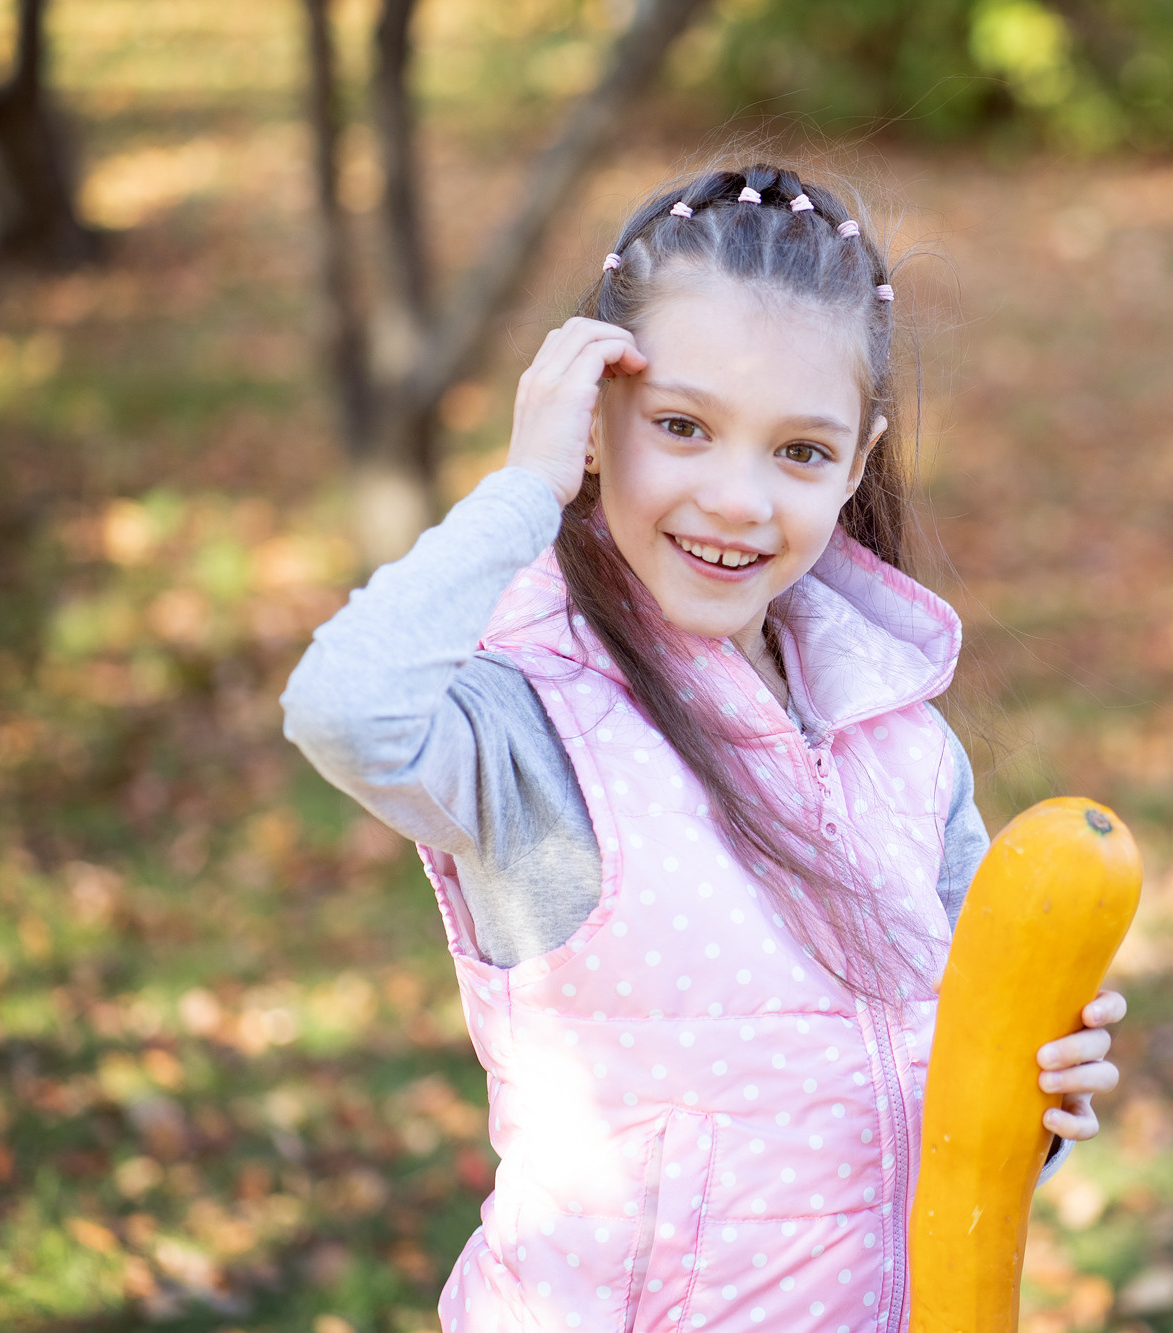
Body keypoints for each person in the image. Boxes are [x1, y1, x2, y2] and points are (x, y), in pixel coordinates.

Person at [281, 162, 1127, 1333]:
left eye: (799, 452)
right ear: (592, 421)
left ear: (859, 455)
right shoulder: (535, 732)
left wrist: (1027, 1113)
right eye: (681, 428)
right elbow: (343, 710)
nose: (737, 499)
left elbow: (917, 1115)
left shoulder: (907, 749)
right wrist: (525, 487)